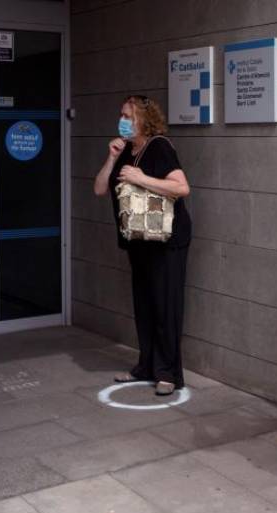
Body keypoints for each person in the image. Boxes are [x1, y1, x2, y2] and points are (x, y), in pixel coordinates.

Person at [93, 95, 192, 396]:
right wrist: (111, 157)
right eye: (121, 114)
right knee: (145, 305)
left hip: (167, 241)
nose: (122, 120)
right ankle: (146, 366)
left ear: (143, 120)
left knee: (166, 307)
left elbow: (181, 187)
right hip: (139, 241)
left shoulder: (159, 146)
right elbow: (99, 188)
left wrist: (142, 177)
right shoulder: (124, 151)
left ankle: (168, 373)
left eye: (128, 115)